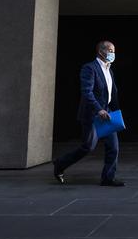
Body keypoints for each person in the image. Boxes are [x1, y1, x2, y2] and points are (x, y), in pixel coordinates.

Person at [52, 40, 125, 187]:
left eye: (113, 51)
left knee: (113, 147)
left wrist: (113, 110)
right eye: (110, 50)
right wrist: (99, 109)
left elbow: (111, 92)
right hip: (93, 113)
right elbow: (87, 92)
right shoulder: (89, 68)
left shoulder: (109, 69)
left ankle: (108, 178)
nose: (113, 53)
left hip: (108, 113)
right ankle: (60, 164)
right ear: (100, 51)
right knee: (88, 147)